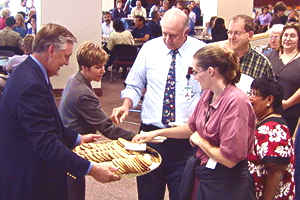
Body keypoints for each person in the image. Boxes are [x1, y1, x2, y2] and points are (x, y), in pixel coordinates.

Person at [0, 23, 120, 200]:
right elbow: (46, 143)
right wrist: (92, 169)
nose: (66, 62)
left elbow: (48, 122)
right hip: (27, 178)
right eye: (65, 56)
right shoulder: (31, 84)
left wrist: (77, 138)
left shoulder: (31, 72)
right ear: (50, 50)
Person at [132, 45, 256, 200]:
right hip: (205, 173)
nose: (194, 77)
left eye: (196, 72)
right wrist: (155, 133)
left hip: (225, 182)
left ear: (211, 72)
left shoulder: (237, 103)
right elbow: (191, 128)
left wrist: (201, 142)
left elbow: (229, 159)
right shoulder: (208, 95)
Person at [111, 8, 205, 200]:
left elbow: (210, 94)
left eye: (173, 35)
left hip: (186, 140)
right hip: (150, 137)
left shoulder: (201, 52)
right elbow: (134, 84)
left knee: (183, 194)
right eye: (164, 33)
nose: (167, 40)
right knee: (148, 194)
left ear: (186, 31)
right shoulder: (149, 49)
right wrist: (126, 104)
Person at [59, 41, 135, 200]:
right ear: (84, 67)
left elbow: (95, 119)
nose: (102, 71)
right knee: (74, 191)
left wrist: (102, 118)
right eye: (97, 67)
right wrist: (135, 138)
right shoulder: (83, 93)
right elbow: (107, 129)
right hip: (74, 147)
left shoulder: (75, 79)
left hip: (67, 139)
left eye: (103, 66)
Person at [248, 78, 295, 200]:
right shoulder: (263, 123)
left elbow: (275, 172)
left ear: (269, 100)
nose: (249, 98)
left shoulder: (274, 128)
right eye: (250, 93)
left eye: (254, 94)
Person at [267, 22, 300, 134]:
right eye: (285, 35)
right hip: (267, 110)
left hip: (289, 111)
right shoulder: (271, 55)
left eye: (292, 36)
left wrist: (287, 103)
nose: (288, 39)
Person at [227, 14, 274, 80]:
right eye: (229, 32)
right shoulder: (221, 58)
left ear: (250, 35)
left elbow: (270, 90)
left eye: (237, 33)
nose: (231, 37)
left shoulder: (262, 63)